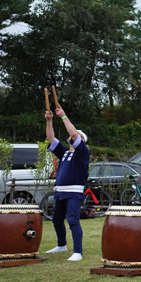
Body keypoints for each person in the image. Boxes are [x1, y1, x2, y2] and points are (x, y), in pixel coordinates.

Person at [44, 105, 90, 262]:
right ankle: (61, 245)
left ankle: (78, 251)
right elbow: (51, 138)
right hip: (61, 191)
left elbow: (73, 133)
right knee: (57, 220)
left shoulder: (83, 153)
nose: (74, 137)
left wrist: (63, 116)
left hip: (74, 192)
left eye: (77, 137)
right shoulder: (64, 153)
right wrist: (49, 121)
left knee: (72, 220)